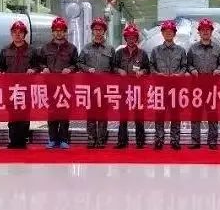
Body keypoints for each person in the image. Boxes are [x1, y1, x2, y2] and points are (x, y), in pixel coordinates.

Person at [0, 20, 38, 149]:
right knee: (12, 114)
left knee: (24, 114)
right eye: (15, 32)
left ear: (25, 34)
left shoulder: (32, 50)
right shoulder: (5, 50)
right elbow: (0, 66)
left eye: (20, 32)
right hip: (11, 88)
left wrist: (33, 70)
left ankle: (22, 141)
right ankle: (13, 141)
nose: (17, 35)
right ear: (11, 34)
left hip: (26, 88)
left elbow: (38, 66)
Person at [39, 16, 78, 149]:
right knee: (52, 112)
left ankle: (64, 139)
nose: (59, 33)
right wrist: (44, 68)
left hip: (65, 86)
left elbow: (76, 64)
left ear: (65, 32)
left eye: (61, 30)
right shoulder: (45, 48)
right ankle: (52, 139)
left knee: (64, 113)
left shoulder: (72, 48)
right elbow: (40, 62)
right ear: (52, 32)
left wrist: (70, 69)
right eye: (56, 30)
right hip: (50, 86)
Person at [77, 17, 115, 149]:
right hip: (90, 87)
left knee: (103, 114)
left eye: (100, 29)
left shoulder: (110, 49)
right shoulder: (86, 48)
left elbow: (114, 67)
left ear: (104, 31)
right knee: (91, 113)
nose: (98, 32)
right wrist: (87, 69)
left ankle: (101, 140)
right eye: (96, 29)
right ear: (92, 31)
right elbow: (79, 63)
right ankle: (91, 139)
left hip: (104, 87)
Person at [150, 19, 188, 150]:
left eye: (171, 31)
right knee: (159, 114)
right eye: (166, 31)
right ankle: (159, 139)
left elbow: (184, 66)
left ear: (174, 34)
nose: (168, 33)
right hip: (160, 88)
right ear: (162, 33)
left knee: (175, 115)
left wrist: (180, 75)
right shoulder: (155, 51)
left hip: (175, 88)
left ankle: (175, 140)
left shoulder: (181, 51)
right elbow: (151, 66)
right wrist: (157, 74)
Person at [187, 18, 220, 149]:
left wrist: (219, 69)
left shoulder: (218, 48)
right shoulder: (193, 49)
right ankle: (195, 140)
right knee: (196, 114)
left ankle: (212, 141)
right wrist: (192, 69)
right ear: (199, 32)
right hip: (196, 87)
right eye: (203, 30)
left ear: (211, 31)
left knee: (212, 114)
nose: (205, 32)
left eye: (208, 29)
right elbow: (188, 64)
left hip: (212, 87)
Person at [114, 23, 149, 149]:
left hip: (137, 89)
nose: (131, 39)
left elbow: (148, 69)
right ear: (125, 38)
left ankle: (140, 141)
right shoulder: (119, 53)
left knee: (139, 115)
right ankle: (122, 141)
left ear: (137, 38)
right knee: (123, 116)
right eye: (129, 37)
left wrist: (142, 72)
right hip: (123, 89)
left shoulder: (142, 53)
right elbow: (113, 67)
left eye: (133, 37)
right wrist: (119, 70)